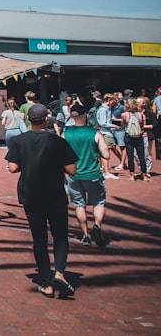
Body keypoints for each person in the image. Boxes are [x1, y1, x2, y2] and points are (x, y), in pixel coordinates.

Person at [5, 104, 78, 299]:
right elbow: (72, 170)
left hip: (31, 194)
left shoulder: (19, 141)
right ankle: (60, 272)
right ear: (46, 120)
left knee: (39, 239)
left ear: (28, 119)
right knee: (60, 235)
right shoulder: (56, 141)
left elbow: (12, 167)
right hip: (54, 193)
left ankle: (46, 282)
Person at [62, 103, 110, 247]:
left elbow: (60, 154)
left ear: (71, 116)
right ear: (85, 115)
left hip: (74, 174)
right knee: (98, 202)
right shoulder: (94, 133)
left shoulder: (66, 133)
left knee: (79, 205)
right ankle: (97, 225)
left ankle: (85, 235)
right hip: (93, 173)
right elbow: (106, 155)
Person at [120, 98, 149, 181]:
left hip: (128, 136)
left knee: (130, 156)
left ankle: (132, 175)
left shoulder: (124, 115)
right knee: (141, 156)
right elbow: (142, 125)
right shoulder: (141, 114)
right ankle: (144, 175)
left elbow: (123, 126)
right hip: (138, 136)